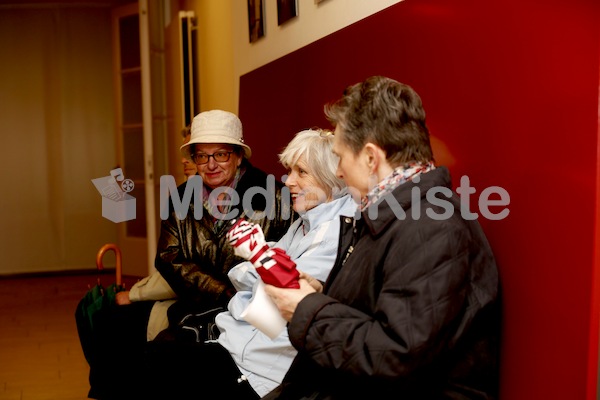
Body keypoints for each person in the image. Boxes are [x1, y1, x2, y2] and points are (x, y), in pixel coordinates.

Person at [263, 76, 501, 399]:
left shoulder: (429, 227)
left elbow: (394, 355)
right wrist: (321, 293)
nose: (339, 171)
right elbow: (379, 309)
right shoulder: (391, 212)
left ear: (371, 158)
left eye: (341, 157)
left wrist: (307, 308)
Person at [81, 110, 293, 400]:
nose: (210, 164)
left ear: (239, 155)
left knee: (170, 357)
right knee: (118, 330)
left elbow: (280, 263)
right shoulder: (180, 196)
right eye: (201, 156)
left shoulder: (275, 197)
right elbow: (168, 257)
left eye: (220, 154)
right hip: (196, 301)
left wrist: (236, 297)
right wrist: (222, 292)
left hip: (251, 312)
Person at [144, 128, 357, 399]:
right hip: (239, 335)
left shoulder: (333, 230)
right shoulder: (306, 222)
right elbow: (247, 275)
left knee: (155, 362)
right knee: (156, 351)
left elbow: (275, 303)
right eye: (202, 156)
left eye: (301, 172)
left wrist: (257, 257)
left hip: (259, 361)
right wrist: (260, 267)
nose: (289, 181)